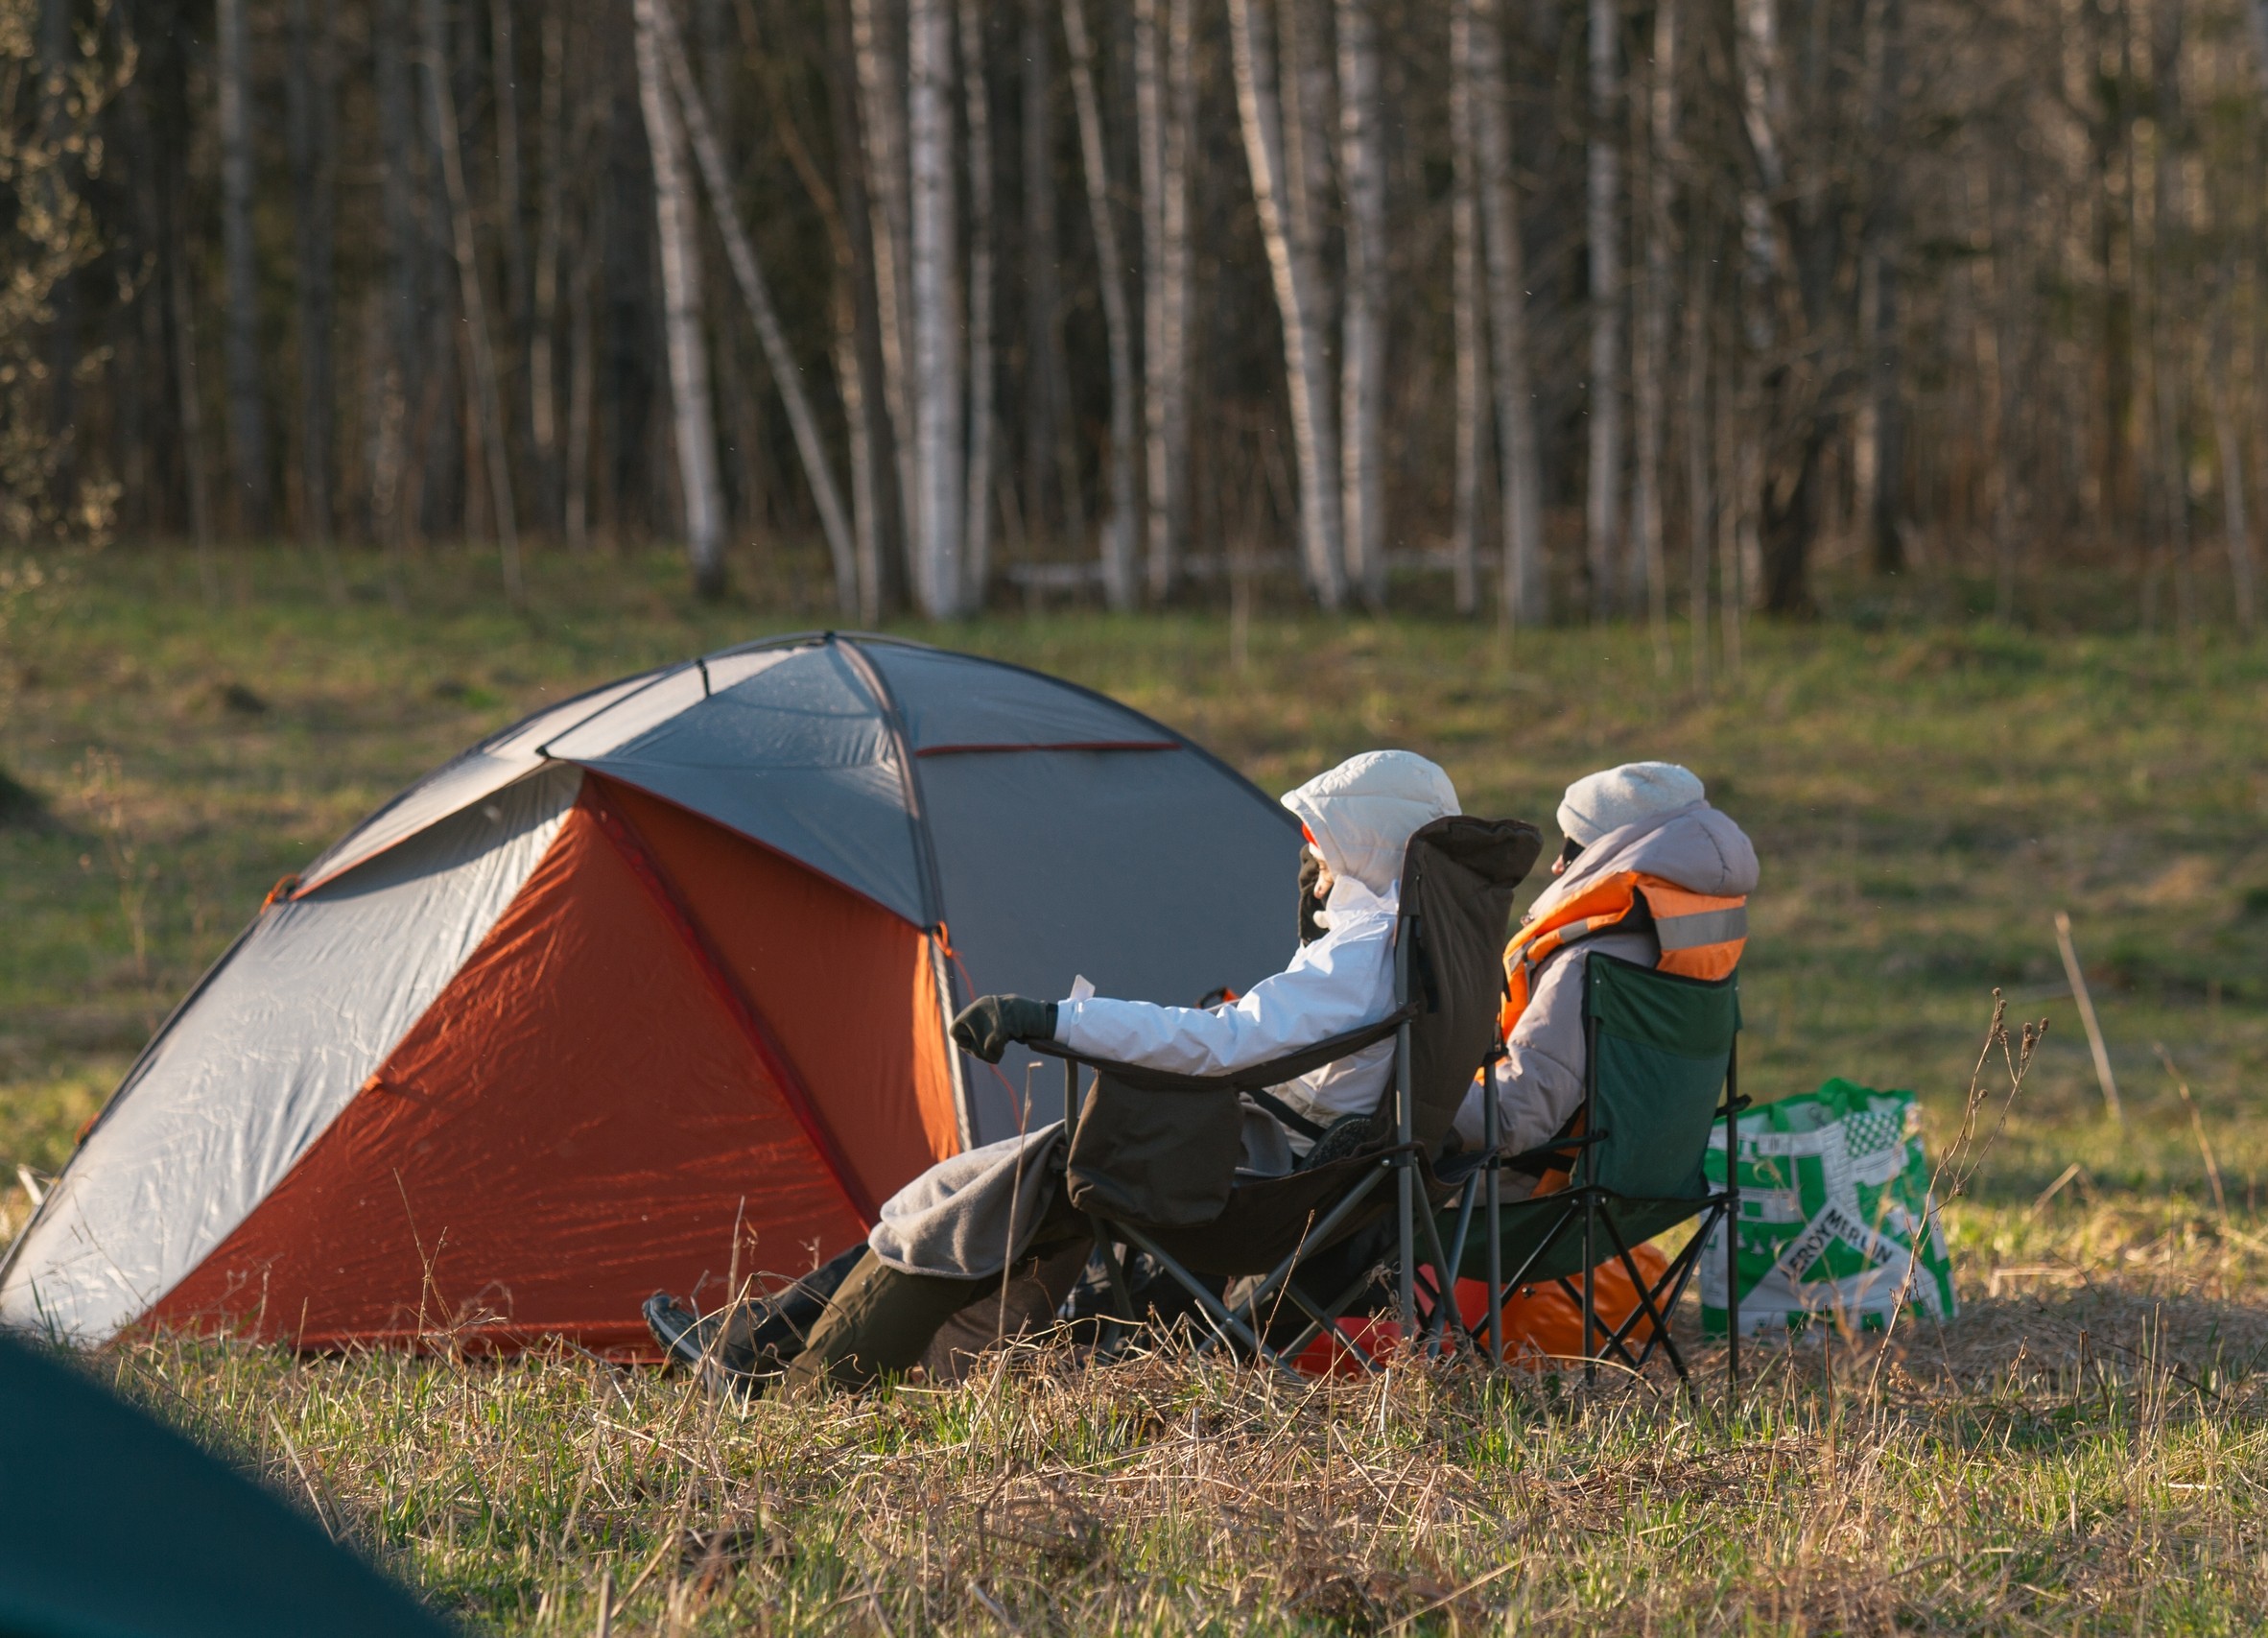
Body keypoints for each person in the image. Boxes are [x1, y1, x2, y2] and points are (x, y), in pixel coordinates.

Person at [644, 749, 1462, 1395]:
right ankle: (754, 1344)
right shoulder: (1417, 952)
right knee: (976, 1190)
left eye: (1321, 844)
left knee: (963, 1198)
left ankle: (798, 1379)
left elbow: (1224, 1042)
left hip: (1239, 1176)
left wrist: (1055, 1019)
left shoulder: (1361, 956)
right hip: (1295, 1174)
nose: (1311, 860)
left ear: (1364, 843)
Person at [1452, 760, 1756, 1185]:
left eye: (1574, 846)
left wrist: (1401, 1096)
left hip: (1525, 1193)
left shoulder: (1590, 965)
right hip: (1636, 1191)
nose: (1558, 865)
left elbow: (1510, 1118)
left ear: (1611, 853)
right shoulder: (1697, 945)